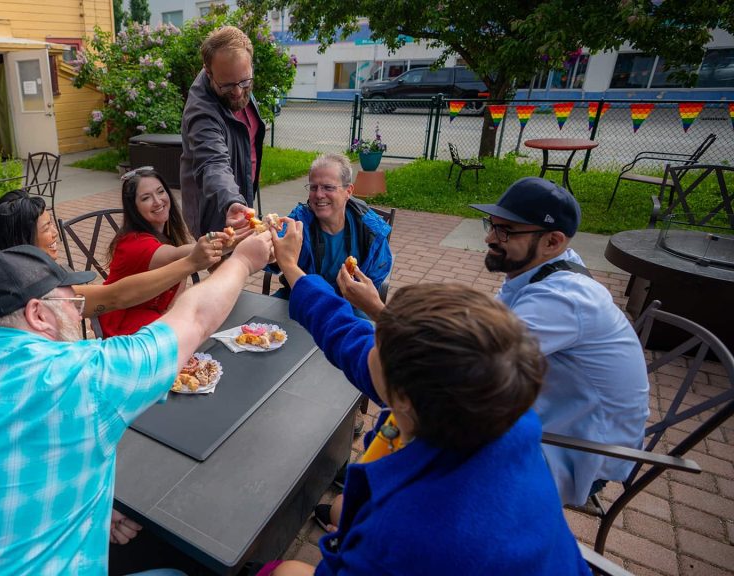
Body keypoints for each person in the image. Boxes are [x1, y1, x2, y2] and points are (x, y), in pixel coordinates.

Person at [0, 235, 274, 574]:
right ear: (38, 314)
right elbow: (193, 318)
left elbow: (2, 469)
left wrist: (97, 507)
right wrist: (244, 260)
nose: (80, 309)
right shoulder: (78, 376)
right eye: (72, 301)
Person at [264, 218, 590, 575]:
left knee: (282, 570)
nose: (370, 341)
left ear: (401, 395)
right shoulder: (493, 407)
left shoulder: (404, 536)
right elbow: (346, 335)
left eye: (380, 342)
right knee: (343, 507)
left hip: (426, 545)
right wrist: (293, 269)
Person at [342, 176, 651, 507]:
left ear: (553, 241)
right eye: (492, 224)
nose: (490, 237)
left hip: (574, 450)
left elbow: (462, 365)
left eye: (506, 231)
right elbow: (476, 333)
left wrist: (376, 309)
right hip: (545, 415)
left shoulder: (563, 300)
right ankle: (367, 509)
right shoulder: (535, 272)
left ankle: (387, 530)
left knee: (427, 424)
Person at [0, 189, 223, 321]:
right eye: (46, 228)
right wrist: (193, 262)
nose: (56, 233)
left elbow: (115, 295)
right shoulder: (31, 296)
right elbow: (117, 296)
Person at [98, 167, 232, 337]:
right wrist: (235, 240)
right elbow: (179, 255)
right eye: (146, 198)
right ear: (134, 208)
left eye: (160, 192)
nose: (158, 201)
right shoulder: (135, 244)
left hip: (153, 316)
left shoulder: (167, 235)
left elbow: (174, 295)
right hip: (123, 323)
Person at [267, 153, 392, 306]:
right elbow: (273, 249)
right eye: (314, 187)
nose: (319, 195)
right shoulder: (299, 221)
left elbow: (376, 276)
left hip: (349, 304)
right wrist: (271, 253)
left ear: (348, 191)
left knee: (366, 329)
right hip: (299, 297)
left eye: (328, 187)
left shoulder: (370, 230)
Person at [180, 25, 264, 237]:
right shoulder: (201, 112)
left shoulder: (235, 77)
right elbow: (213, 163)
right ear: (209, 72)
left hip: (240, 198)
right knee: (230, 268)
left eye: (244, 81)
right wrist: (232, 201)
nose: (237, 92)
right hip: (217, 211)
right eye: (227, 85)